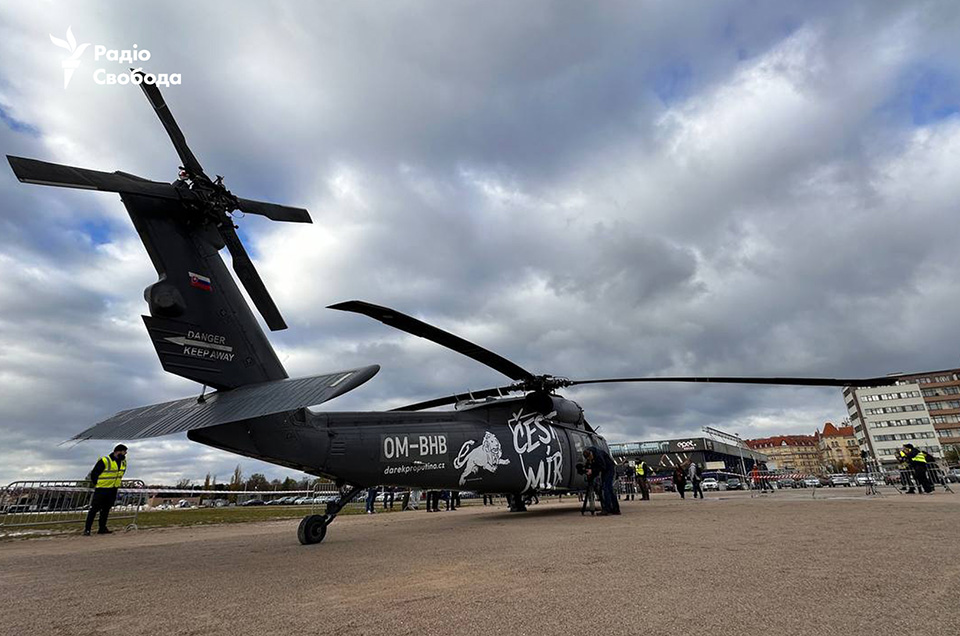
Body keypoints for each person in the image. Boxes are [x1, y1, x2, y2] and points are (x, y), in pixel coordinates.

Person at [83, 444, 128, 536]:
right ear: (117, 451)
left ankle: (102, 528)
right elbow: (94, 474)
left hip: (113, 489)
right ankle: (87, 529)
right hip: (102, 489)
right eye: (124, 452)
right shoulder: (105, 460)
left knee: (106, 509)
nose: (125, 454)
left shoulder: (123, 462)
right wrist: (98, 484)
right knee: (94, 509)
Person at [583, 446, 620, 515]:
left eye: (589, 458)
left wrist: (592, 471)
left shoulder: (598, 455)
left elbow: (602, 466)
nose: (589, 460)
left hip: (608, 469)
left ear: (591, 454)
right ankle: (615, 508)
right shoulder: (592, 454)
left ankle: (607, 508)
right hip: (605, 470)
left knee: (606, 488)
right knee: (609, 489)